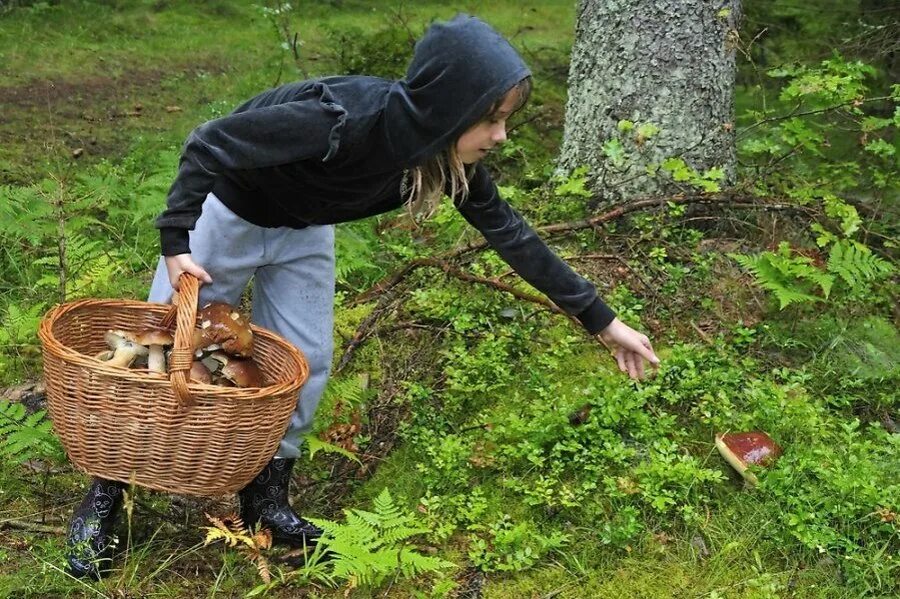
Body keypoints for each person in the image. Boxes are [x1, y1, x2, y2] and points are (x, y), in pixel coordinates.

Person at [63, 14, 660, 578]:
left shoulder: (438, 155)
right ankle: (107, 496)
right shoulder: (339, 118)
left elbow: (512, 235)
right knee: (162, 350)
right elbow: (211, 142)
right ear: (449, 110)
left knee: (307, 361)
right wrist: (176, 239)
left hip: (304, 231)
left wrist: (602, 321)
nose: (500, 135)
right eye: (491, 119)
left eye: (504, 119)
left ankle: (265, 499)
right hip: (230, 212)